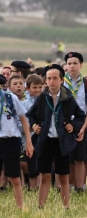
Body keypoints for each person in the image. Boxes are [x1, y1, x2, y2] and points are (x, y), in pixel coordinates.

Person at [27, 64, 86, 209]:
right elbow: (30, 115)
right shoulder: (42, 98)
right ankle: (40, 206)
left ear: (61, 80)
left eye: (55, 78)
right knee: (45, 175)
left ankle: (66, 207)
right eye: (49, 78)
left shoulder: (68, 98)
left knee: (63, 175)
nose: (52, 81)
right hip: (45, 141)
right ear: (45, 81)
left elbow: (80, 116)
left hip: (62, 141)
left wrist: (73, 125)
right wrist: (34, 126)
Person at [63, 52, 87, 191]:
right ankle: (66, 186)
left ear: (81, 65)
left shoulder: (86, 83)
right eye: (69, 63)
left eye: (75, 63)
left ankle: (80, 186)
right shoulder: (61, 81)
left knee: (79, 157)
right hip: (64, 123)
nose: (72, 66)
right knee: (66, 157)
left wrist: (84, 127)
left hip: (80, 124)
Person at [0, 72, 34, 209]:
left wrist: (29, 143)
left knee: (14, 176)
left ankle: (20, 207)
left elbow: (23, 120)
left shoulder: (9, 98)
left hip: (11, 140)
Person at [22, 74, 44, 189]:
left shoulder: (47, 101)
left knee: (42, 164)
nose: (38, 90)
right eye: (35, 87)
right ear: (27, 88)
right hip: (30, 138)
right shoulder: (24, 104)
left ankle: (42, 187)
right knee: (32, 164)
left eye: (40, 87)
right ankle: (32, 187)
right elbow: (20, 122)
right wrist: (31, 128)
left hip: (43, 137)